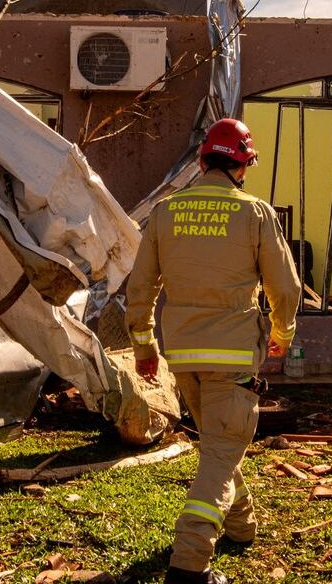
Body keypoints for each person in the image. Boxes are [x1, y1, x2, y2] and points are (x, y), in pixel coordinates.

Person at [125, 117, 302, 584]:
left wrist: (144, 346)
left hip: (183, 354)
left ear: (203, 160)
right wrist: (283, 334)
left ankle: (242, 528)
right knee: (222, 452)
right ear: (242, 166)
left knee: (218, 448)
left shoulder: (165, 212)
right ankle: (190, 562)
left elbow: (140, 288)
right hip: (234, 355)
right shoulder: (255, 213)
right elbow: (285, 288)